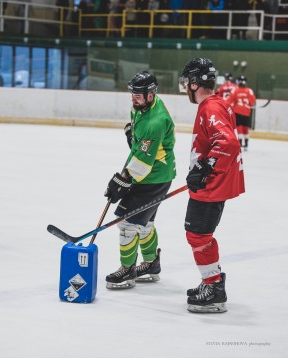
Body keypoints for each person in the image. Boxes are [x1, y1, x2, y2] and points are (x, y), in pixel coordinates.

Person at [178, 57, 245, 313]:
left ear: (195, 84)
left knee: (197, 235)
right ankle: (211, 280)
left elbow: (228, 143)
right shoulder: (219, 103)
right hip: (212, 183)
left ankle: (214, 288)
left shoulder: (210, 108)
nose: (186, 89)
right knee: (199, 234)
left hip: (211, 186)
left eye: (187, 83)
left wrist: (205, 168)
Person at [104, 71, 176, 289]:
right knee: (145, 223)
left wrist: (122, 181)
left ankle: (127, 270)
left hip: (152, 178)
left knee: (127, 223)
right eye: (132, 94)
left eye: (138, 94)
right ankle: (152, 264)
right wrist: (134, 135)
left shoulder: (155, 122)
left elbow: (142, 165)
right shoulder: (143, 106)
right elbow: (143, 145)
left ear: (151, 94)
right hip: (155, 174)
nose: (133, 98)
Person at [226, 75, 256, 150]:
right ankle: (246, 144)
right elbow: (252, 102)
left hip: (237, 112)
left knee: (239, 127)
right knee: (245, 127)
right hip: (246, 112)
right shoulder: (249, 91)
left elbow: (228, 101)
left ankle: (239, 143)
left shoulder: (235, 90)